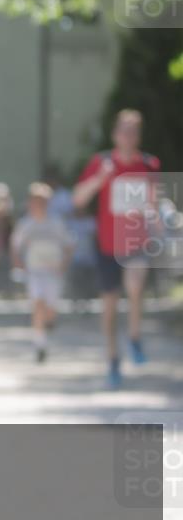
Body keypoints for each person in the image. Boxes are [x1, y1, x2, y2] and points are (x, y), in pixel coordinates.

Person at [72, 109, 161, 388]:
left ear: (139, 136)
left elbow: (154, 204)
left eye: (134, 131)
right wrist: (100, 179)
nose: (128, 136)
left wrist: (156, 220)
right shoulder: (101, 162)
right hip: (107, 245)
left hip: (135, 242)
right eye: (124, 130)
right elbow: (78, 200)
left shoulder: (149, 164)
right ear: (115, 134)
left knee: (135, 285)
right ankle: (113, 359)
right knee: (109, 308)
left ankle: (134, 337)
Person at [11, 183, 74, 363]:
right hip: (35, 272)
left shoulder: (56, 222)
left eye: (43, 201)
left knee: (50, 310)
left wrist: (64, 264)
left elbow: (69, 245)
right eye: (36, 200)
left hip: (53, 273)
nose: (39, 204)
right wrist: (17, 262)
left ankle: (49, 323)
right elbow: (15, 245)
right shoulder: (25, 224)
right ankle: (40, 345)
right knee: (38, 304)